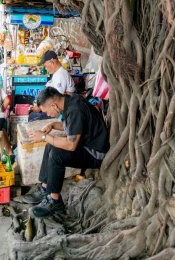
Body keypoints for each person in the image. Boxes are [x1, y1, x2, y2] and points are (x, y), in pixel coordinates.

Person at [23, 87, 109, 218]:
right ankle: (46, 188)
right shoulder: (70, 101)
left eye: (47, 112)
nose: (47, 115)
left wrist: (43, 137)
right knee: (50, 147)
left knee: (57, 154)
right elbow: (71, 126)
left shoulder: (75, 110)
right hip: (85, 145)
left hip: (95, 153)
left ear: (53, 106)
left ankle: (55, 201)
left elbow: (71, 145)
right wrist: (52, 125)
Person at [29, 50, 76, 121]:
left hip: (63, 111)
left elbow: (56, 99)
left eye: (45, 66)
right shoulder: (57, 73)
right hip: (57, 107)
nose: (46, 69)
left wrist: (40, 108)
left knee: (33, 117)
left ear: (52, 62)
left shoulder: (61, 75)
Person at [0, 87, 12, 156]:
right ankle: (10, 153)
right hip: (1, 118)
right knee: (3, 130)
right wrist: (1, 110)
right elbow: (7, 100)